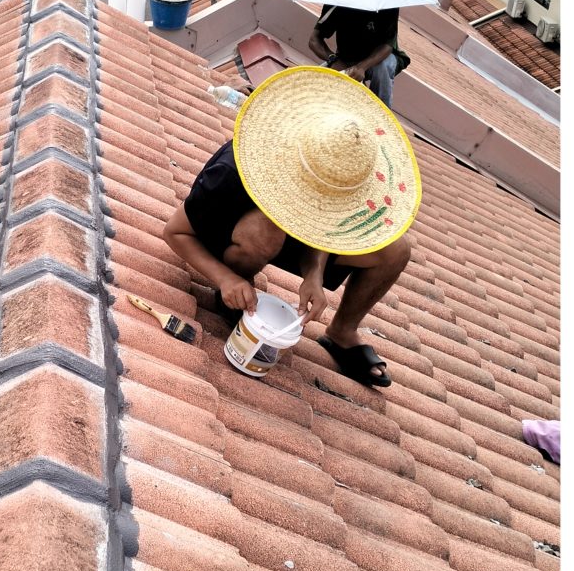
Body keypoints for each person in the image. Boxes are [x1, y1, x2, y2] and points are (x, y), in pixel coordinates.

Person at [163, 65, 418, 390]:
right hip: (240, 235)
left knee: (395, 249)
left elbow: (323, 228)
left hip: (299, 236)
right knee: (265, 229)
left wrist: (314, 273)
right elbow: (175, 232)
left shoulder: (338, 180)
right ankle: (235, 289)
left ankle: (342, 332)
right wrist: (226, 278)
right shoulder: (232, 171)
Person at [310, 1, 403, 105]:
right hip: (346, 57)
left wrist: (361, 67)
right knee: (322, 95)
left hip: (378, 57)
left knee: (383, 67)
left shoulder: (387, 4)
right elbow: (314, 40)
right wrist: (333, 59)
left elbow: (387, 47)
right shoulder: (338, 1)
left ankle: (382, 110)